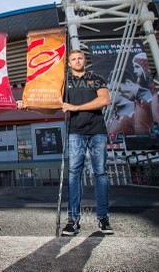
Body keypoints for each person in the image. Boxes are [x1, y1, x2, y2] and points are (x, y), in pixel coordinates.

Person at [61, 49, 114, 236]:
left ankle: (103, 219)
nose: (77, 61)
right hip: (76, 132)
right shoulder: (64, 82)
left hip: (97, 131)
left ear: (85, 60)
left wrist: (76, 107)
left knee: (100, 173)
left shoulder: (96, 78)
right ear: (69, 63)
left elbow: (104, 99)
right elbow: (52, 103)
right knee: (74, 173)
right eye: (73, 59)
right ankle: (73, 221)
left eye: (79, 58)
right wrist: (27, 104)